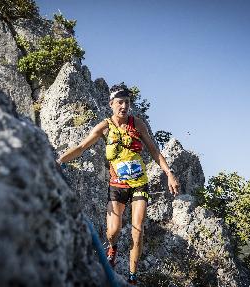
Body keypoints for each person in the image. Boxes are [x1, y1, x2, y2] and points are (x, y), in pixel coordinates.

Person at [56, 84, 179, 285]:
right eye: (120, 102)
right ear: (111, 104)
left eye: (127, 103)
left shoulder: (137, 124)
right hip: (117, 185)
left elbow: (155, 152)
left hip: (139, 183)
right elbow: (81, 147)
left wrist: (169, 173)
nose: (124, 106)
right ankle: (111, 247)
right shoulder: (104, 127)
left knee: (137, 229)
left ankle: (132, 277)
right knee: (113, 230)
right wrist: (59, 161)